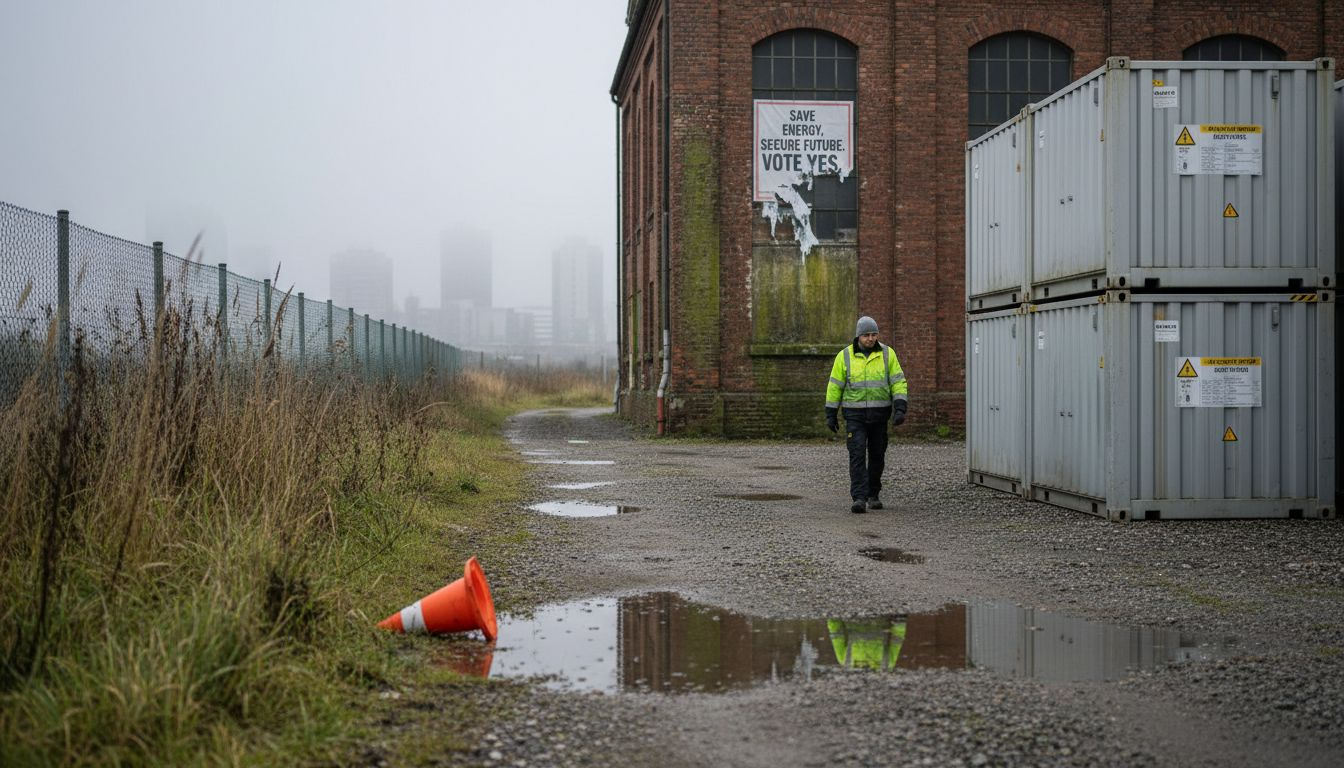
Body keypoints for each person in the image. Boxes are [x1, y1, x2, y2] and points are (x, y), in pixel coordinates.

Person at [824, 316, 908, 513]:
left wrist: (900, 407)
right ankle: (859, 497)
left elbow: (898, 381)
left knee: (878, 454)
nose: (871, 339)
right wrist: (831, 413)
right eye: (866, 335)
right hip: (854, 415)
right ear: (858, 336)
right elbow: (835, 386)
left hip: (880, 415)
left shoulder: (888, 354)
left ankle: (873, 494)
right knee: (857, 454)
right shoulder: (844, 357)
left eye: (874, 334)